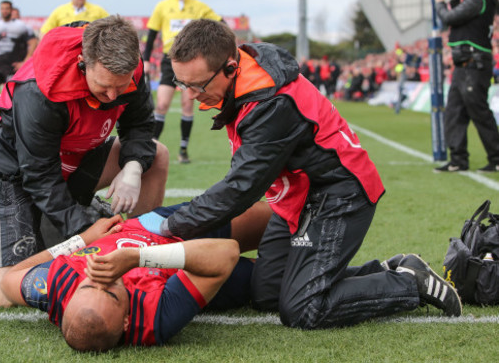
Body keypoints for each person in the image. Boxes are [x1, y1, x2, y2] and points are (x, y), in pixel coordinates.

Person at [137, 19, 462, 329]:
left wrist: (170, 226)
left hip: (339, 191)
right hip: (301, 191)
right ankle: (386, 270)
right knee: (268, 295)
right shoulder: (243, 68)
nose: (190, 95)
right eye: (183, 84)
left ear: (231, 67)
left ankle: (408, 282)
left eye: (197, 84)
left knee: (304, 308)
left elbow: (240, 188)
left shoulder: (271, 103)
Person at [0, 16, 168, 306]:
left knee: (155, 156)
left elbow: (139, 123)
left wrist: (133, 168)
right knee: (4, 291)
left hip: (71, 157)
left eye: (120, 88)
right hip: (8, 166)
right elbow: (38, 175)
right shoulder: (40, 90)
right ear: (83, 61)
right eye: (103, 86)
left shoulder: (130, 69)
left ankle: (139, 251)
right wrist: (86, 229)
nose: (112, 97)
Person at [0, 202, 272, 351]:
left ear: (67, 299)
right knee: (273, 285)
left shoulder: (56, 285)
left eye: (89, 284)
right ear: (126, 320)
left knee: (272, 215)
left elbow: (14, 274)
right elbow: (225, 255)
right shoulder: (153, 319)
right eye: (110, 293)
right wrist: (139, 257)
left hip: (156, 223)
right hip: (180, 255)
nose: (102, 278)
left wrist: (84, 239)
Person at [143, 0, 222, 164]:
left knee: (188, 105)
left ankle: (183, 150)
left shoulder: (199, 7)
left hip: (191, 62)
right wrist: (145, 60)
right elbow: (152, 34)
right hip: (169, 60)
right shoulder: (162, 7)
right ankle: (151, 148)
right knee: (161, 105)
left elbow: (220, 24)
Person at [434, 0, 499, 173]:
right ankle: (458, 160)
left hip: (475, 64)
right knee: (454, 112)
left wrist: (440, 3)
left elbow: (451, 19)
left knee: (479, 112)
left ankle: (496, 158)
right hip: (466, 64)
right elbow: (461, 22)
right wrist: (453, 0)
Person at [0, 0, 37, 115]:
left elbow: (33, 42)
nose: (4, 11)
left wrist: (25, 61)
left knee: (11, 96)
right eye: (2, 8)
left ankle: (13, 119)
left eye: (7, 8)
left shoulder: (20, 26)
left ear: (11, 10)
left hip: (12, 67)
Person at [40, 0, 109, 37]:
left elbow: (112, 28)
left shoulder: (99, 11)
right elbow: (44, 32)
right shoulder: (59, 11)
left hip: (89, 49)